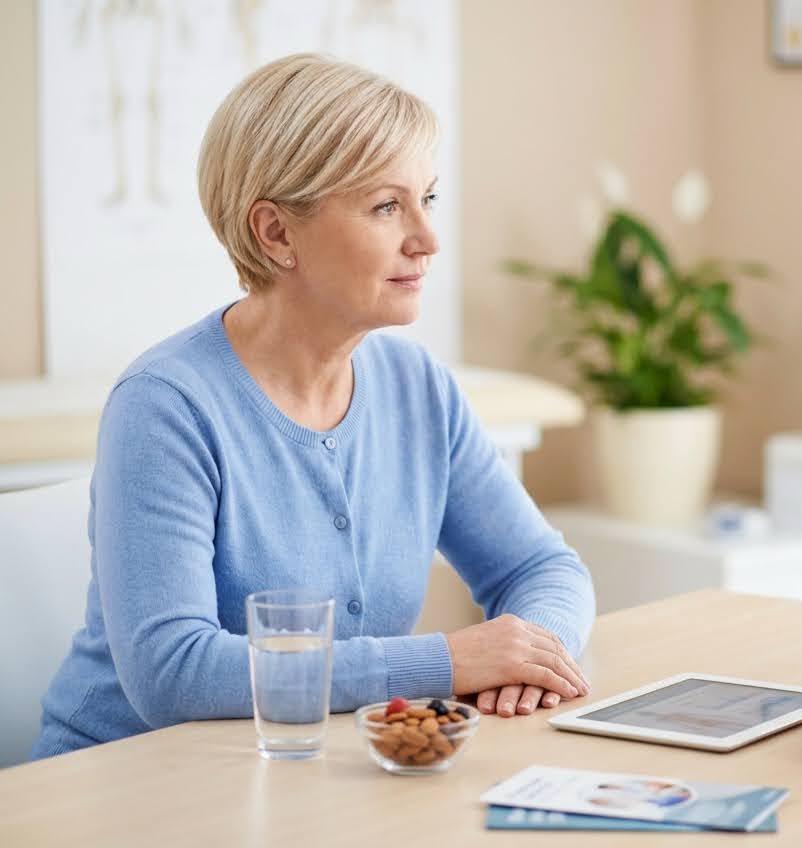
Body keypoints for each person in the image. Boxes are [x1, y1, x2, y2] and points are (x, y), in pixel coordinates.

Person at [31, 53, 594, 759]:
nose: (428, 239)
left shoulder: (419, 388)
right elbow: (172, 673)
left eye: (429, 198)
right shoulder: (166, 407)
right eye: (387, 206)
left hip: (304, 773)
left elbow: (542, 569)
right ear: (275, 233)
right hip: (125, 784)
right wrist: (449, 662)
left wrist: (531, 658)